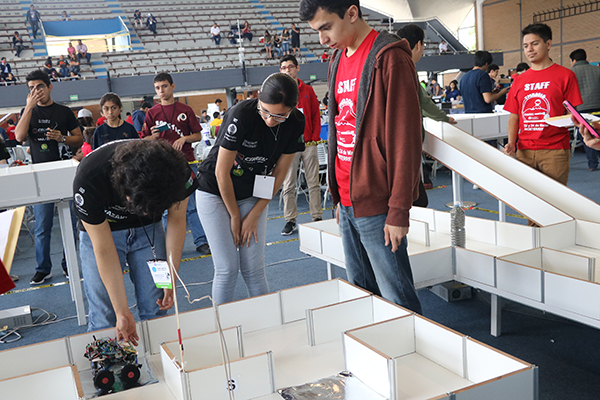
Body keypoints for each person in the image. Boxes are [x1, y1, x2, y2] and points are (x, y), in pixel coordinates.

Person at [300, 0, 423, 313]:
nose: (322, 39)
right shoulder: (338, 58)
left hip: (378, 199)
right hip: (347, 196)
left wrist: (398, 209)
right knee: (361, 292)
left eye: (326, 27)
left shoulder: (389, 57)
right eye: (316, 31)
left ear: (352, 13)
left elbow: (404, 138)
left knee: (397, 297)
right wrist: (339, 196)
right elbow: (341, 129)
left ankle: (410, 356)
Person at [196, 73, 305, 304]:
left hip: (254, 191)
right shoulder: (241, 114)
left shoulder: (296, 122)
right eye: (265, 111)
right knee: (227, 268)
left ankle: (265, 325)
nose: (269, 120)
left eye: (279, 115)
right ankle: (222, 330)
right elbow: (220, 171)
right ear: (258, 99)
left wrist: (255, 213)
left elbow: (280, 173)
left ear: (292, 110)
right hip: (214, 189)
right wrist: (235, 215)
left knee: (254, 268)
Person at [73, 139, 196, 341]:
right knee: (106, 316)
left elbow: (176, 221)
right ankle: (106, 367)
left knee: (156, 306)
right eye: (141, 205)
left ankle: (160, 363)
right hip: (104, 231)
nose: (147, 211)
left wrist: (171, 279)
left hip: (148, 230)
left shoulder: (179, 171)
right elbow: (103, 248)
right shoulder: (90, 178)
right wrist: (122, 310)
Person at [14, 70, 83, 285]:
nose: (36, 91)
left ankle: (69, 264)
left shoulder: (63, 112)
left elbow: (79, 139)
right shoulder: (28, 111)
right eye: (32, 88)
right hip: (40, 175)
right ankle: (43, 268)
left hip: (64, 172)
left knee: (70, 223)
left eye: (40, 87)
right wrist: (28, 108)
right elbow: (18, 136)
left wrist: (62, 137)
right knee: (42, 225)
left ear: (50, 87)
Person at [503, 23, 582, 190]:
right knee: (531, 203)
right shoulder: (519, 80)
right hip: (524, 150)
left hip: (554, 150)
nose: (529, 49)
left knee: (555, 201)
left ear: (548, 44)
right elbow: (514, 115)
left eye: (535, 43)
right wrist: (511, 142)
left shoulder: (565, 76)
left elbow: (572, 113)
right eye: (525, 46)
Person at [142, 72, 210, 255]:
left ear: (172, 86)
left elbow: (198, 134)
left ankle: (201, 240)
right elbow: (143, 139)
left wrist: (184, 138)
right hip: (162, 164)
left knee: (193, 205)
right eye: (157, 88)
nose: (161, 91)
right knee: (165, 207)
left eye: (164, 86)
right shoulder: (152, 112)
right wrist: (153, 137)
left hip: (186, 162)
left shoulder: (185, 110)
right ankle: (166, 244)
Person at [397, 23, 457, 199]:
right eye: (422, 47)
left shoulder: (387, 63)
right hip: (404, 141)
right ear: (418, 45)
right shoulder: (405, 66)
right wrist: (445, 118)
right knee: (414, 197)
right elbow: (423, 101)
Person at [279, 55, 323, 235]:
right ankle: (290, 220)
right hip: (289, 146)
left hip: (309, 143)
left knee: (313, 182)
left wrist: (314, 136)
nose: (287, 70)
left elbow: (315, 115)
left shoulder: (308, 90)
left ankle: (317, 216)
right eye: (283, 67)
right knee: (289, 184)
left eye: (290, 66)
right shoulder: (278, 91)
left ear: (297, 68)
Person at [570, 48, 600, 171]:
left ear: (574, 60)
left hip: (581, 110)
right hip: (598, 107)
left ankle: (592, 164)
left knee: (587, 136)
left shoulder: (570, 73)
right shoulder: (597, 70)